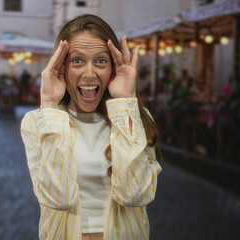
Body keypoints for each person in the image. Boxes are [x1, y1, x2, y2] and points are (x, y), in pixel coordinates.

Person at [20, 14, 161, 240]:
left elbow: (135, 195)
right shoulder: (38, 122)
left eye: (100, 61)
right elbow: (59, 199)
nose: (89, 73)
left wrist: (126, 101)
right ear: (61, 67)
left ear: (113, 68)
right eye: (77, 61)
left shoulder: (136, 117)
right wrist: (49, 105)